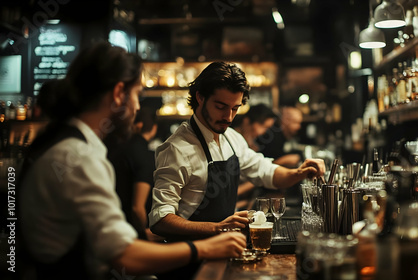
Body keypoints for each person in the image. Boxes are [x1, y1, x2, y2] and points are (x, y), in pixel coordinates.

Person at [19, 42, 246, 280]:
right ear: (119, 94)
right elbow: (125, 256)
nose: (138, 106)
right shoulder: (78, 157)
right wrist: (208, 247)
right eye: (138, 94)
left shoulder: (65, 143)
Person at [149, 62, 325, 241]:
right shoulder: (177, 149)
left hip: (222, 249)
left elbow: (266, 171)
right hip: (189, 258)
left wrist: (299, 173)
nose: (229, 117)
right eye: (220, 107)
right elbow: (160, 220)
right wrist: (217, 228)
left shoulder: (231, 138)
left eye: (235, 108)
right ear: (200, 97)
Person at [106, 107, 162, 242]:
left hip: (113, 224)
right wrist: (143, 234)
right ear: (153, 129)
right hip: (131, 234)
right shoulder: (145, 155)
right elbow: (137, 208)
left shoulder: (115, 150)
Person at [232, 104, 277, 209]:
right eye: (263, 127)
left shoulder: (252, 144)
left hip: (242, 201)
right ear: (247, 121)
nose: (263, 132)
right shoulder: (231, 142)